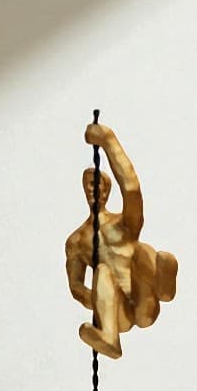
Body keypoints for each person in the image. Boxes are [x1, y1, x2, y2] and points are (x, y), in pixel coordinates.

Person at [65, 122, 177, 359]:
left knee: (141, 252)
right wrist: (98, 302)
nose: (93, 190)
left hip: (143, 300)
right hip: (118, 314)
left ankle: (163, 285)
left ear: (107, 190)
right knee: (103, 271)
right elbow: (75, 286)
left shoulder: (123, 224)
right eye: (88, 186)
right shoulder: (76, 241)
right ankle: (109, 339)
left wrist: (108, 141)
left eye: (97, 185)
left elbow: (132, 188)